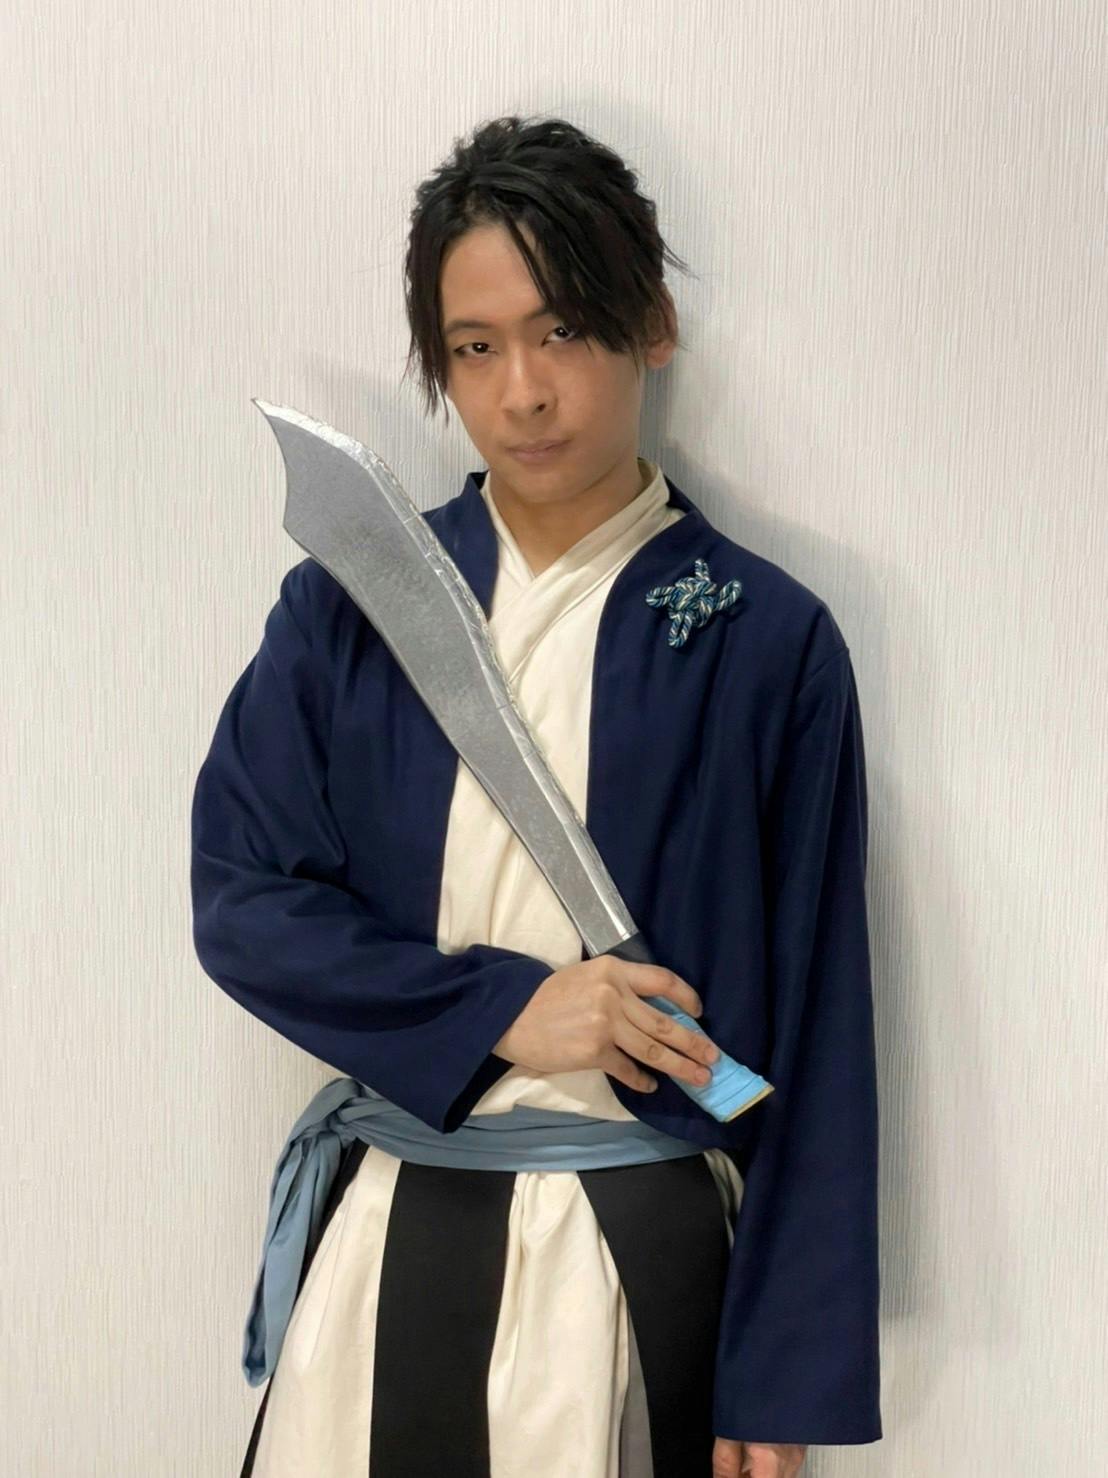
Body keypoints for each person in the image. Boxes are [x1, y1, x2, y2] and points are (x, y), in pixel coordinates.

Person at [190, 114, 882, 1478]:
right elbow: (245, 904)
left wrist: (780, 1375)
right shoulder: (348, 611)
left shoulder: (764, 637)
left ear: (652, 325)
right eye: (475, 347)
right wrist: (506, 1009)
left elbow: (820, 1019)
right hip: (391, 1231)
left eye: (562, 330)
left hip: (647, 1247)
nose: (523, 392)